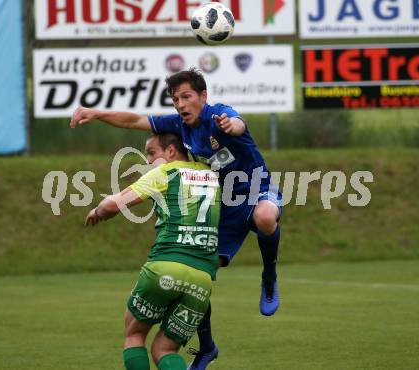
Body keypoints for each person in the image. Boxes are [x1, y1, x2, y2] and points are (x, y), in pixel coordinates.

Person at [71, 68, 281, 370]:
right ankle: (207, 345)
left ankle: (269, 276)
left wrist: (230, 127)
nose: (181, 104)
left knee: (264, 217)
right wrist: (96, 113)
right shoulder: (178, 126)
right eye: (175, 99)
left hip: (257, 188)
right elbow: (134, 121)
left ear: (203, 96)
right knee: (204, 264)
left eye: (186, 96)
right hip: (225, 202)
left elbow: (238, 123)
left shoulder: (218, 114)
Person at [85, 133, 221, 370]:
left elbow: (113, 204)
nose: (147, 161)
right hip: (203, 277)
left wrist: (98, 211)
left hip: (165, 265)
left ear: (170, 151)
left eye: (151, 153)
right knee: (165, 349)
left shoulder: (165, 173)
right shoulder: (211, 173)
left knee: (134, 335)